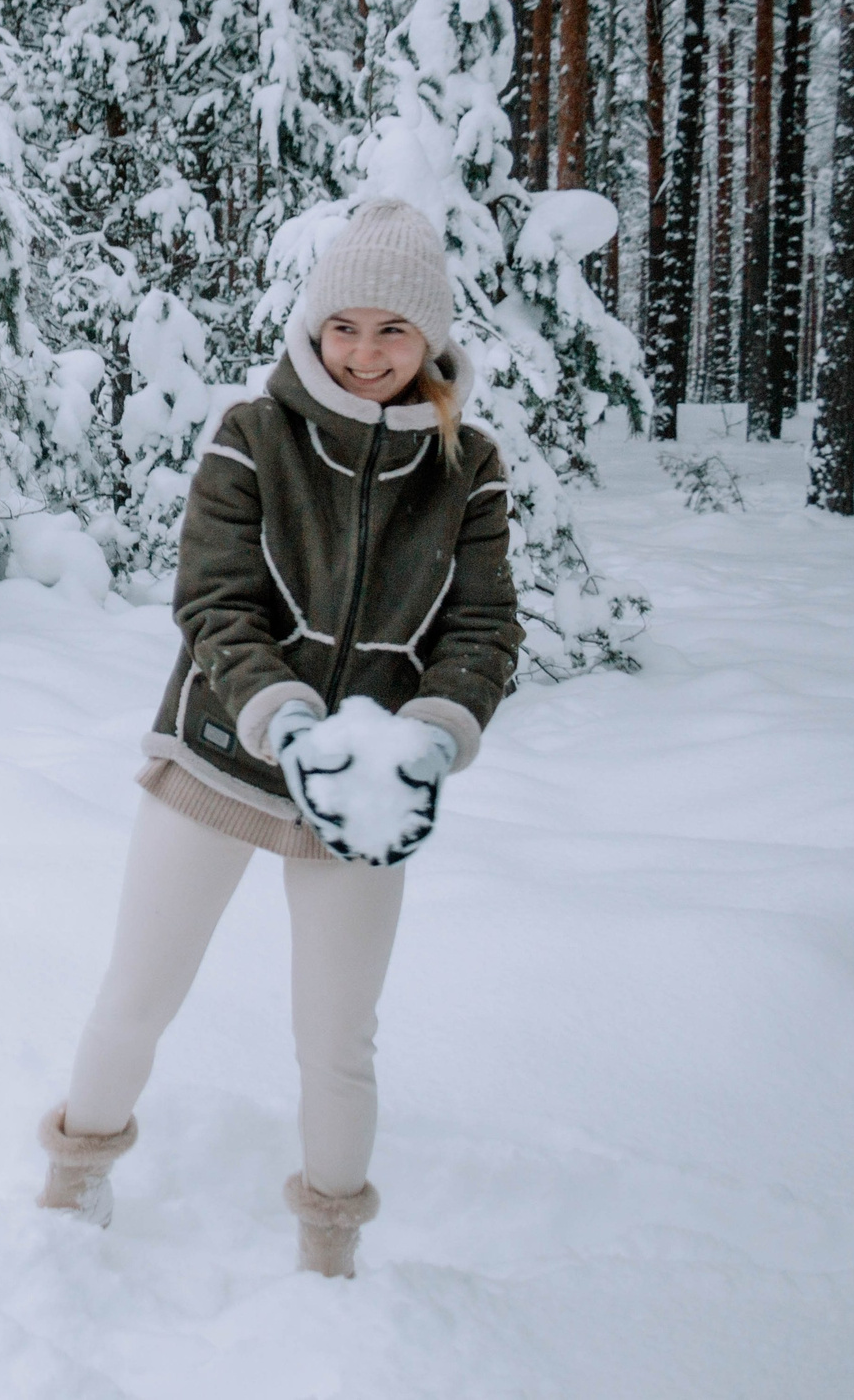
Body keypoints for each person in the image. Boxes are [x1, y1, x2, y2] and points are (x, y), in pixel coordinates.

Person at [35, 198, 521, 1275]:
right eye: (343, 326)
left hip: (366, 789)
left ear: (430, 337)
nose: (365, 353)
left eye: (392, 330)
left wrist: (433, 735)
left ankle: (329, 1255)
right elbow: (215, 600)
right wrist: (281, 714)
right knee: (138, 995)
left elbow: (484, 625)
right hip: (221, 754)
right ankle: (69, 1193)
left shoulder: (467, 466)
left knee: (337, 1040)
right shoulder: (253, 434)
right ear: (313, 326)